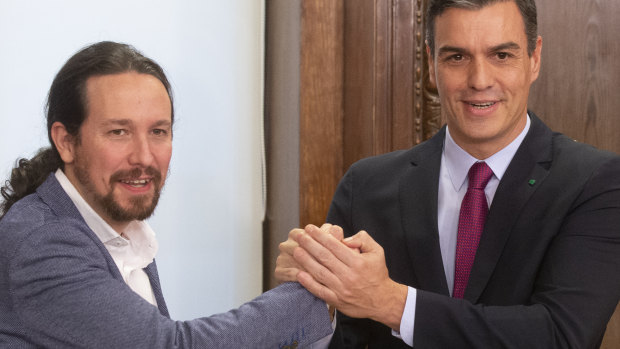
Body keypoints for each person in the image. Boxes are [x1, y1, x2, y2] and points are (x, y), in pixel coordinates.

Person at [276, 0, 620, 348]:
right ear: (430, 63)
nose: (479, 80)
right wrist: (318, 293)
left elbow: (562, 336)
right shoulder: (365, 186)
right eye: (457, 57)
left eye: (501, 55)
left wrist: (390, 302)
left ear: (534, 58)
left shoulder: (595, 183)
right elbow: (346, 340)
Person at [0, 41, 333, 348]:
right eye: (119, 132)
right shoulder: (43, 243)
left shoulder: (113, 224)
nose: (144, 157)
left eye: (158, 131)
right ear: (66, 142)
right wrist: (318, 290)